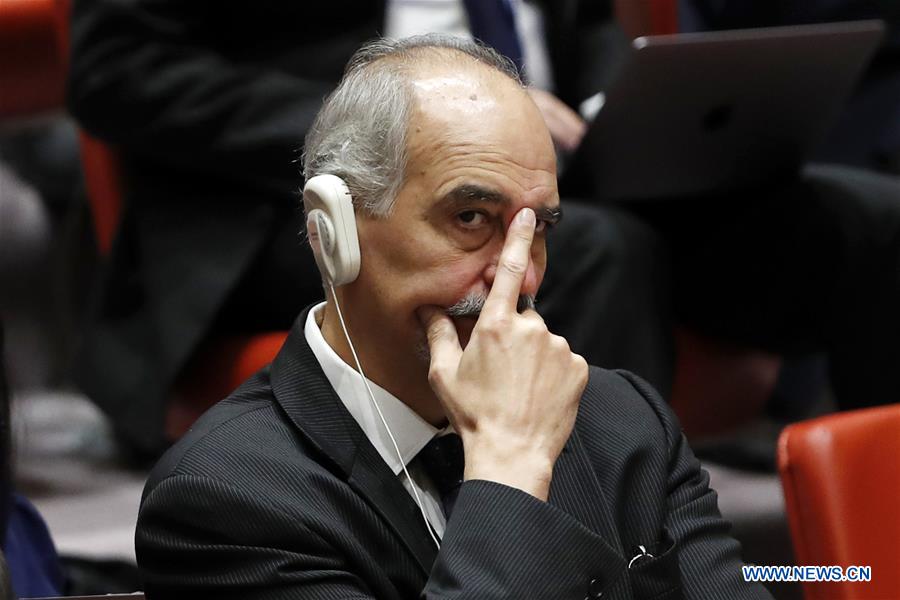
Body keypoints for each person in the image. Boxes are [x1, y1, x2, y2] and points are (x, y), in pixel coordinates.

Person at [135, 36, 771, 599]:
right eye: (471, 218)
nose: (521, 276)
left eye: (538, 229)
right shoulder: (225, 500)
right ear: (334, 231)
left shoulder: (626, 419)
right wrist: (509, 468)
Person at [67, 0, 670, 457]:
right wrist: (403, 123)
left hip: (559, 164)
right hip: (278, 196)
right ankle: (537, 504)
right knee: (599, 248)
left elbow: (589, 25)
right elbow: (118, 68)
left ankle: (653, 495)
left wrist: (614, 113)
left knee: (699, 205)